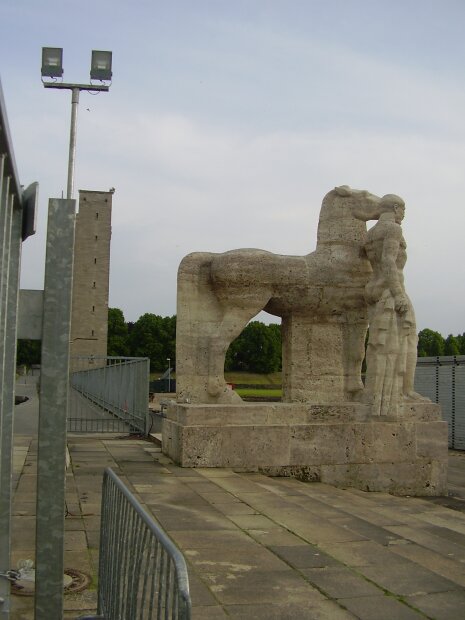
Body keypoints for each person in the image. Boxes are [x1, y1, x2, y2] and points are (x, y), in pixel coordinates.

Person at [362, 195, 425, 416]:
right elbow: (388, 261)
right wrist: (399, 294)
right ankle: (401, 393)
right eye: (404, 209)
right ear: (396, 208)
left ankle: (393, 392)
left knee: (383, 344)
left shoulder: (370, 233)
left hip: (375, 288)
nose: (404, 214)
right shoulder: (393, 230)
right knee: (406, 340)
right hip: (391, 289)